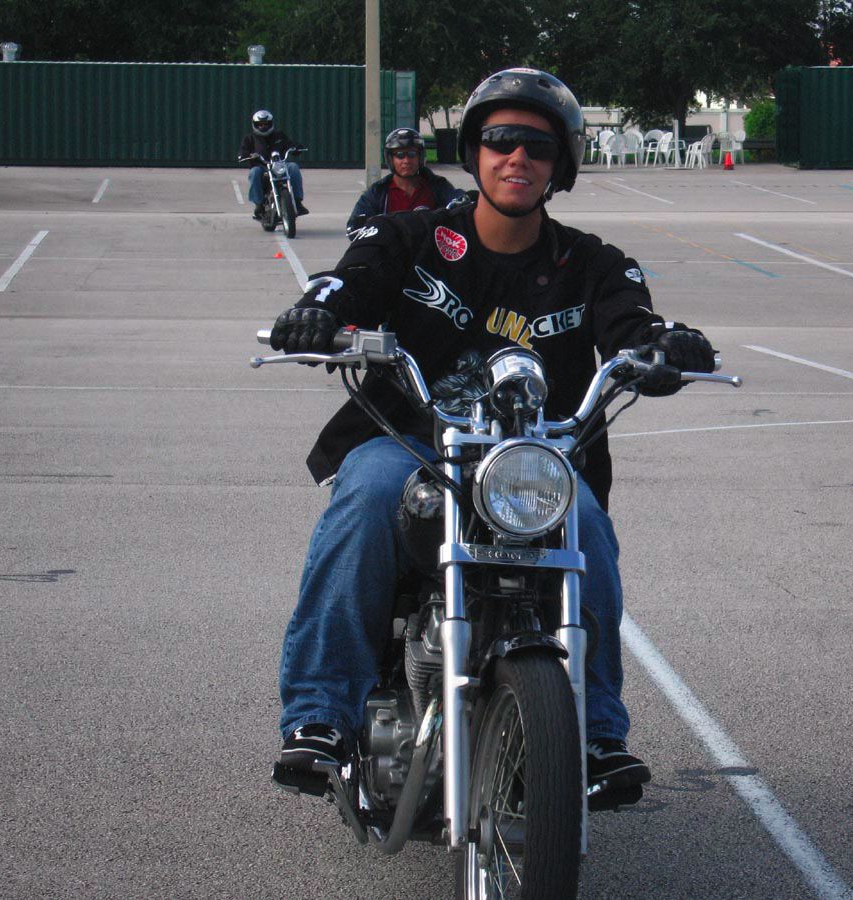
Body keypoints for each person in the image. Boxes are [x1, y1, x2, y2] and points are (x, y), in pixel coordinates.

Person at [269, 68, 716, 807]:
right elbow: (347, 281)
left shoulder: (592, 263)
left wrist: (666, 346)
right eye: (501, 140)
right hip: (412, 441)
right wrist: (316, 312)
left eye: (538, 146)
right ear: (475, 151)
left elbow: (633, 324)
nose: (518, 158)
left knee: (588, 528)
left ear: (561, 164)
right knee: (367, 493)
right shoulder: (409, 236)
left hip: (532, 458)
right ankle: (320, 716)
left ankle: (597, 733)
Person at [344, 127, 467, 239]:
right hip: (391, 251)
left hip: (431, 250)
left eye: (412, 154)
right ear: (390, 159)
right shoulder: (379, 191)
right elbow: (355, 225)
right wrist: (362, 224)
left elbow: (456, 199)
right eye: (400, 155)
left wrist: (461, 200)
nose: (406, 160)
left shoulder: (437, 185)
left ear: (420, 157)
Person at [239, 109, 309, 220]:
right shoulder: (249, 139)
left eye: (266, 124)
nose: (263, 127)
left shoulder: (279, 136)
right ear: (255, 125)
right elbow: (243, 152)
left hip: (279, 165)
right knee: (254, 172)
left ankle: (297, 202)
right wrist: (246, 155)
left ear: (271, 124)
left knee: (293, 167)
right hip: (262, 167)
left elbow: (290, 144)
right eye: (260, 124)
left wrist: (296, 148)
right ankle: (259, 205)